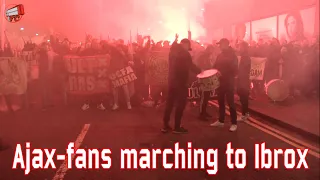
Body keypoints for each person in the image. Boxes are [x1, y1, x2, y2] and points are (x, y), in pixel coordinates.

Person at [162, 34, 201, 134]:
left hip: (171, 81)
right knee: (180, 104)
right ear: (186, 45)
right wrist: (200, 71)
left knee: (169, 104)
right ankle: (177, 127)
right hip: (181, 82)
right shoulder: (185, 54)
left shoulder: (172, 52)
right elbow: (190, 66)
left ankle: (165, 126)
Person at [210, 38, 238, 132]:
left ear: (226, 44)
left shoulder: (233, 55)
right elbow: (215, 66)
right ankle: (221, 121)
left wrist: (223, 72)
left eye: (220, 44)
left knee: (230, 103)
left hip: (229, 82)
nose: (219, 46)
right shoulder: (220, 55)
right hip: (220, 82)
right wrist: (213, 70)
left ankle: (234, 123)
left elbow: (235, 70)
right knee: (220, 102)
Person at [197, 45, 214, 121]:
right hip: (204, 78)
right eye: (211, 50)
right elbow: (202, 67)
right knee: (204, 96)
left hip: (208, 78)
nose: (212, 52)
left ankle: (204, 112)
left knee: (207, 96)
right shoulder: (203, 57)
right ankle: (201, 114)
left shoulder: (208, 57)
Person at [237, 42, 251, 121]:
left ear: (244, 48)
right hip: (243, 79)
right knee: (243, 97)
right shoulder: (244, 56)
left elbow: (244, 69)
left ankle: (244, 114)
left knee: (244, 97)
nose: (239, 49)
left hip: (243, 80)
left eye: (240, 47)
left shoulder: (245, 57)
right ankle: (246, 113)